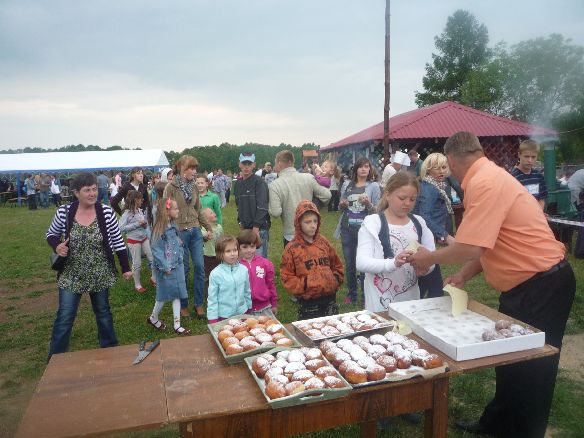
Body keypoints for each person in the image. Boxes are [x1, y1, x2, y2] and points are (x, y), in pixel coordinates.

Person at [408, 131, 575, 438]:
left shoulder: (484, 182)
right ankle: (498, 422)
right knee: (508, 358)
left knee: (533, 366)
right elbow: (489, 243)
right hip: (524, 286)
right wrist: (463, 275)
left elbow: (471, 246)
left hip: (543, 284)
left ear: (453, 161)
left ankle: (525, 431)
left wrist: (428, 257)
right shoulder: (489, 176)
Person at [46, 172, 132, 360]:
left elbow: (118, 242)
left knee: (103, 314)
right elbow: (51, 234)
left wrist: (126, 268)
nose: (92, 193)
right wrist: (57, 246)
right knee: (65, 317)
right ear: (76, 192)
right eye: (87, 190)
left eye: (94, 189)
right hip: (71, 274)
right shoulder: (64, 212)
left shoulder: (106, 212)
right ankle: (55, 360)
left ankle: (110, 351)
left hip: (99, 273)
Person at [356, 172, 435, 312]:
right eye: (402, 198)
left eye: (412, 199)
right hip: (380, 307)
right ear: (387, 195)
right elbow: (361, 263)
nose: (407, 203)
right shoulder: (373, 223)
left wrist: (426, 267)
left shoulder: (419, 223)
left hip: (411, 305)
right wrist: (393, 263)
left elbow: (432, 256)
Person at [163, 155, 210, 319]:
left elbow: (198, 209)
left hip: (195, 230)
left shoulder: (194, 186)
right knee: (183, 269)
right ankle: (183, 306)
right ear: (182, 169)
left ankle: (198, 304)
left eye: (195, 168)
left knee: (199, 266)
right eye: (191, 168)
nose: (195, 171)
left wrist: (207, 227)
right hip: (179, 232)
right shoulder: (170, 187)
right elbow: (165, 212)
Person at [280, 201, 344, 320]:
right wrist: (304, 285)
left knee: (331, 327)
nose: (313, 225)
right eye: (308, 222)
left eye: (315, 221)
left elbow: (337, 265)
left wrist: (334, 280)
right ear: (298, 223)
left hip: (330, 298)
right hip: (308, 302)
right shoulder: (292, 249)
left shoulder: (323, 243)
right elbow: (286, 276)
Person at [335, 157, 381, 305]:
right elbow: (340, 207)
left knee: (364, 265)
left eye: (366, 166)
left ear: (369, 169)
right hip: (347, 229)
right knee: (350, 264)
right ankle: (352, 294)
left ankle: (365, 296)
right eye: (361, 166)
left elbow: (378, 211)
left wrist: (368, 204)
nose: (363, 169)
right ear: (356, 169)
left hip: (364, 232)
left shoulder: (373, 186)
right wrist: (342, 204)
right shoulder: (348, 185)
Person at [269, 150, 331, 247]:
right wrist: (312, 208)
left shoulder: (275, 185)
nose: (274, 166)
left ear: (279, 163)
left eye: (275, 163)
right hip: (309, 232)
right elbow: (327, 195)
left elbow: (275, 212)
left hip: (291, 236)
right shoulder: (308, 177)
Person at [413, 153, 454, 299]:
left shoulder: (436, 186)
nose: (441, 171)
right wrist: (445, 235)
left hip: (426, 240)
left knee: (427, 283)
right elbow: (424, 216)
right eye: (437, 168)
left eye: (444, 167)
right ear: (428, 169)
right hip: (423, 241)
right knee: (434, 287)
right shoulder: (429, 188)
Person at [148, 197, 191, 336]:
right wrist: (165, 267)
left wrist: (180, 249)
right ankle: (153, 318)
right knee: (162, 295)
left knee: (177, 294)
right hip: (166, 269)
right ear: (167, 211)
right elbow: (156, 250)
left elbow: (176, 241)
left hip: (177, 265)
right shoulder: (159, 229)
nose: (178, 210)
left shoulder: (173, 225)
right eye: (176, 208)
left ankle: (177, 324)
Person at [207, 235, 252, 323]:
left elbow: (247, 290)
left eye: (235, 250)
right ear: (220, 254)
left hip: (242, 313)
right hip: (224, 316)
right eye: (228, 251)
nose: (232, 254)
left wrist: (249, 308)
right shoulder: (215, 274)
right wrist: (213, 319)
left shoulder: (244, 270)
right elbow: (212, 299)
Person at [234, 152, 271, 257]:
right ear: (239, 164)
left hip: (259, 229)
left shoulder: (259, 182)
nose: (246, 167)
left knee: (259, 261)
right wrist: (241, 223)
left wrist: (256, 229)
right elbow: (239, 205)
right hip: (245, 228)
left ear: (254, 165)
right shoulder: (238, 184)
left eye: (249, 164)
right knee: (246, 259)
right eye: (244, 163)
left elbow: (263, 207)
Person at [119, 190, 156, 293]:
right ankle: (137, 285)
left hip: (144, 238)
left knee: (152, 258)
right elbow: (121, 228)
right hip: (133, 240)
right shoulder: (127, 213)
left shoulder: (140, 211)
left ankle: (154, 278)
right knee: (137, 263)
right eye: (140, 199)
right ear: (135, 200)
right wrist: (136, 224)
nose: (142, 200)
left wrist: (144, 224)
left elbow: (144, 225)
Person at [237, 229, 277, 317]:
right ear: (239, 247)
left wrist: (274, 303)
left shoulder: (265, 264)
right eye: (245, 247)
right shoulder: (236, 266)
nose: (249, 250)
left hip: (265, 307)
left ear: (256, 245)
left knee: (269, 325)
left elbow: (270, 284)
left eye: (252, 246)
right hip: (244, 310)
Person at [510, 139, 547, 209]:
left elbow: (542, 199)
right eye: (526, 156)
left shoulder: (539, 176)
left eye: (533, 157)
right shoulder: (512, 178)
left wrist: (539, 213)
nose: (530, 160)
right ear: (519, 155)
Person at [200, 208, 223, 302]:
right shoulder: (202, 229)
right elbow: (203, 236)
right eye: (211, 213)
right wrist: (206, 235)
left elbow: (222, 240)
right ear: (205, 219)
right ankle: (207, 295)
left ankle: (218, 293)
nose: (214, 213)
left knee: (218, 275)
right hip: (207, 256)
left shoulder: (219, 227)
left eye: (213, 212)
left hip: (217, 256)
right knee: (207, 277)